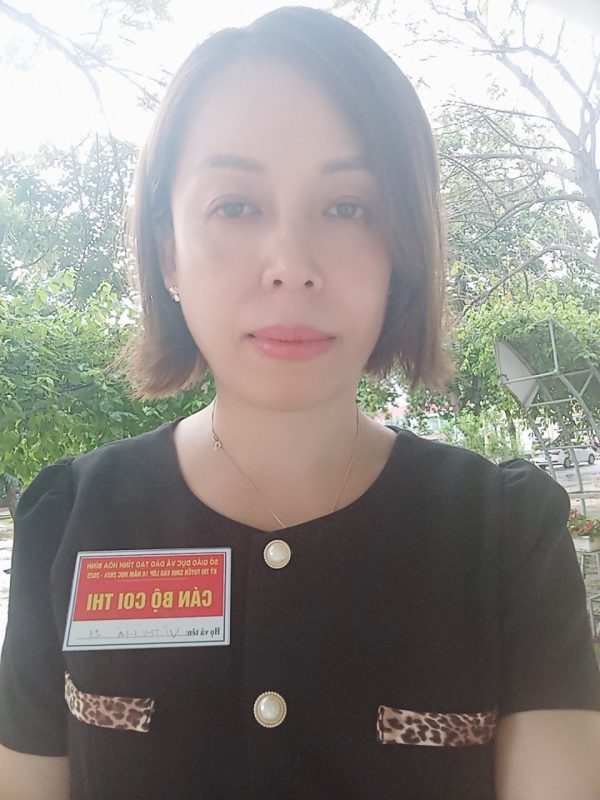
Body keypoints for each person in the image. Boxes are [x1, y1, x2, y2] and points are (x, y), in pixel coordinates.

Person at [1, 7, 600, 799]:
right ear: (168, 251)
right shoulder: (69, 521)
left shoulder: (505, 537)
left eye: (348, 207)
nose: (291, 264)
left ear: (402, 248)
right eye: (236, 206)